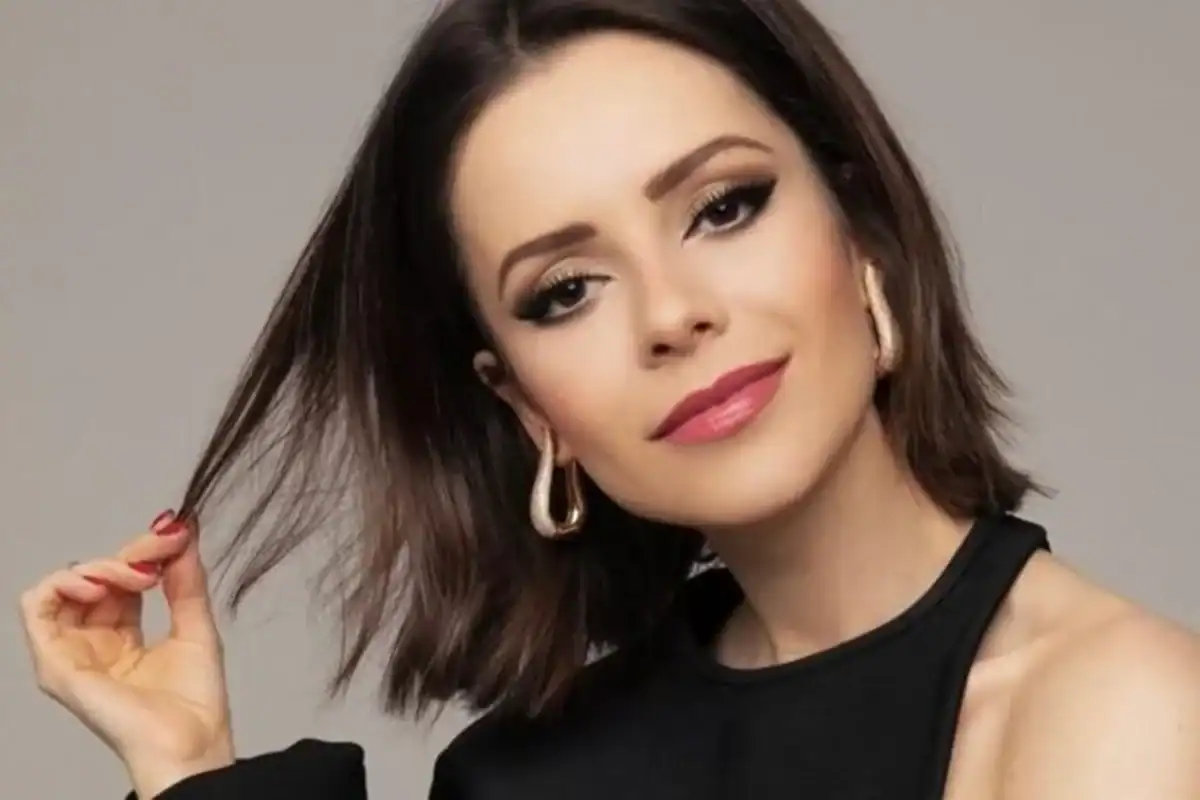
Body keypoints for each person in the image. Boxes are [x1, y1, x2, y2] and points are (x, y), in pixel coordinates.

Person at [17, 0, 1200, 798]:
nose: (671, 313)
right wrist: (188, 767)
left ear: (860, 232)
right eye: (567, 290)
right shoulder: (521, 774)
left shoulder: (1123, 712)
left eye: (723, 207)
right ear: (525, 403)